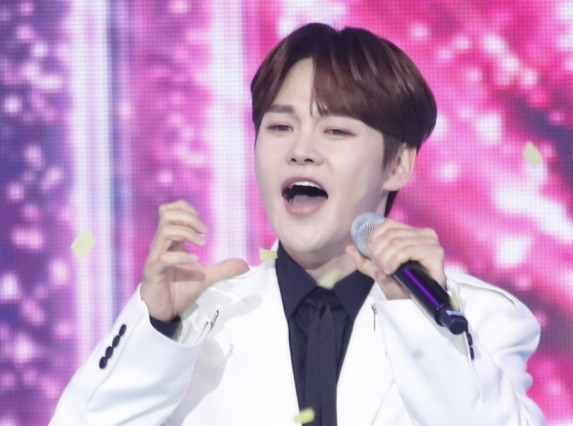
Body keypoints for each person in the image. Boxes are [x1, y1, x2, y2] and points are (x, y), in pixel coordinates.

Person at [50, 23, 544, 425]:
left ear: (397, 164)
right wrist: (157, 327)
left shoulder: (478, 318)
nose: (301, 150)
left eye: (335, 130)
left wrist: (422, 321)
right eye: (281, 126)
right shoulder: (202, 318)